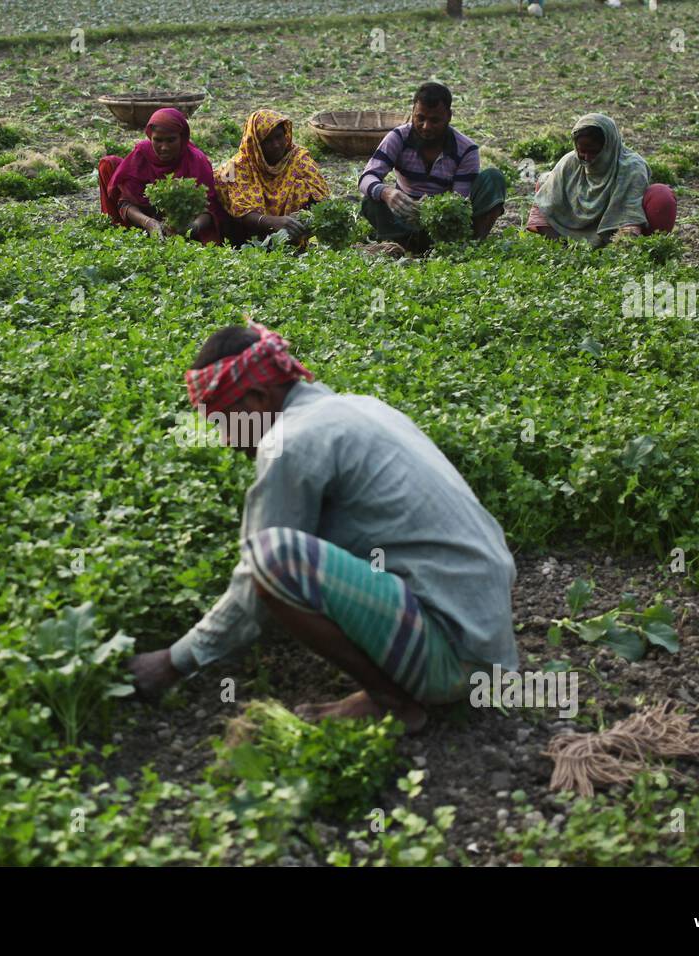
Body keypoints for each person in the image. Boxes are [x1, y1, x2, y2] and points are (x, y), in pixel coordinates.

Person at [127, 322, 518, 732]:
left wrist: (173, 662)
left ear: (257, 399)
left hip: (455, 661)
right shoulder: (360, 407)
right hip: (487, 638)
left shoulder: (290, 442)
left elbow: (256, 578)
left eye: (225, 422)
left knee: (272, 559)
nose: (226, 440)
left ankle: (392, 701)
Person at [357, 81, 507, 254]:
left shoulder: (466, 149)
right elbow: (367, 177)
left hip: (448, 225)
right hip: (406, 218)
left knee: (493, 177)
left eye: (435, 120)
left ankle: (470, 245)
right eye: (420, 118)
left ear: (449, 117)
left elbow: (459, 203)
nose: (426, 127)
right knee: (371, 202)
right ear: (412, 112)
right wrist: (387, 193)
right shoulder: (398, 137)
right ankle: (410, 245)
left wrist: (431, 210)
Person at [526, 113, 676, 245]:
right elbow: (546, 203)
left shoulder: (631, 167)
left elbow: (628, 214)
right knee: (546, 180)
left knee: (661, 195)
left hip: (616, 237)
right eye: (581, 151)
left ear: (608, 146)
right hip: (569, 237)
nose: (587, 158)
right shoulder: (570, 162)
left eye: (594, 152)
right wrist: (564, 247)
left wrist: (624, 247)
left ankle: (647, 253)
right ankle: (565, 246)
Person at [98, 108, 225, 244]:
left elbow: (209, 209)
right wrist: (148, 222)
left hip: (182, 226)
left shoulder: (196, 161)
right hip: (144, 221)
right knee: (109, 164)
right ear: (150, 137)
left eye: (171, 140)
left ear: (182, 138)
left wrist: (192, 227)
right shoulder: (142, 153)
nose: (164, 147)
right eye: (158, 140)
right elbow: (125, 201)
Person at [214, 109, 330, 246]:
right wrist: (272, 222)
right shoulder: (237, 167)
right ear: (256, 143)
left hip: (294, 233)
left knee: (302, 186)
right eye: (267, 140)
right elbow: (240, 210)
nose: (276, 145)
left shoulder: (299, 159)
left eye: (279, 137)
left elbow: (321, 199)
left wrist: (301, 219)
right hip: (250, 237)